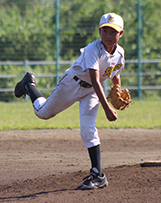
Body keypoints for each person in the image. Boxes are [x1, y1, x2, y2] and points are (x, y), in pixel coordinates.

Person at [14, 12, 125, 190]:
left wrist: (117, 90)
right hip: (72, 84)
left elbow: (115, 75)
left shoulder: (120, 53)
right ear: (99, 32)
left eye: (113, 32)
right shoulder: (92, 49)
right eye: (105, 31)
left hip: (92, 92)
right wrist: (107, 108)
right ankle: (29, 85)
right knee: (43, 113)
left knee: (88, 129)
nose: (109, 36)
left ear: (121, 34)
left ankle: (98, 175)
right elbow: (95, 80)